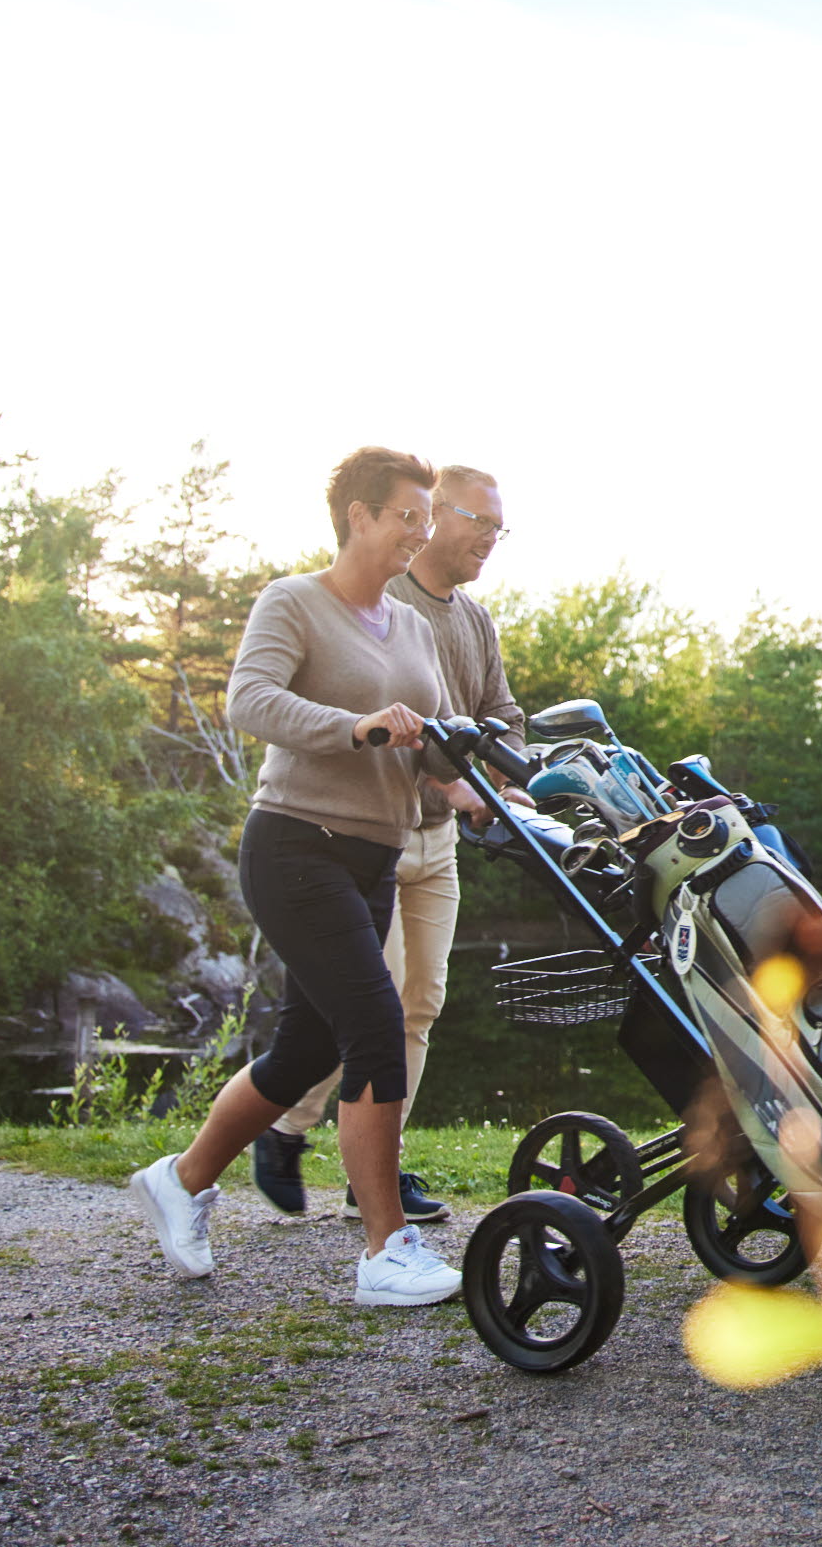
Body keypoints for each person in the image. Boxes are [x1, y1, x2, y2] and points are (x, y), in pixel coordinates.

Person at [127, 446, 463, 1306]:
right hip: (295, 845)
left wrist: (460, 784)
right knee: (377, 1023)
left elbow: (422, 739)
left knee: (304, 1048)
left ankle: (183, 1176)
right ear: (358, 516)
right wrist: (356, 727)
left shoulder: (416, 626)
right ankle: (387, 1250)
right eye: (407, 515)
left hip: (374, 858)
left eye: (425, 517)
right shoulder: (294, 602)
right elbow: (249, 702)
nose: (419, 531)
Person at [250, 465, 526, 1222]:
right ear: (433, 516)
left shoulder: (468, 619)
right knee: (366, 1010)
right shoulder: (374, 600)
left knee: (418, 1005)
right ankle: (287, 1127)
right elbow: (367, 725)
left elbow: (493, 715)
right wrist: (441, 776)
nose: (492, 541)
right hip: (363, 832)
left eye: (501, 529)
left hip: (436, 839)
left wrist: (505, 779)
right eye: (483, 524)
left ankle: (369, 1169)